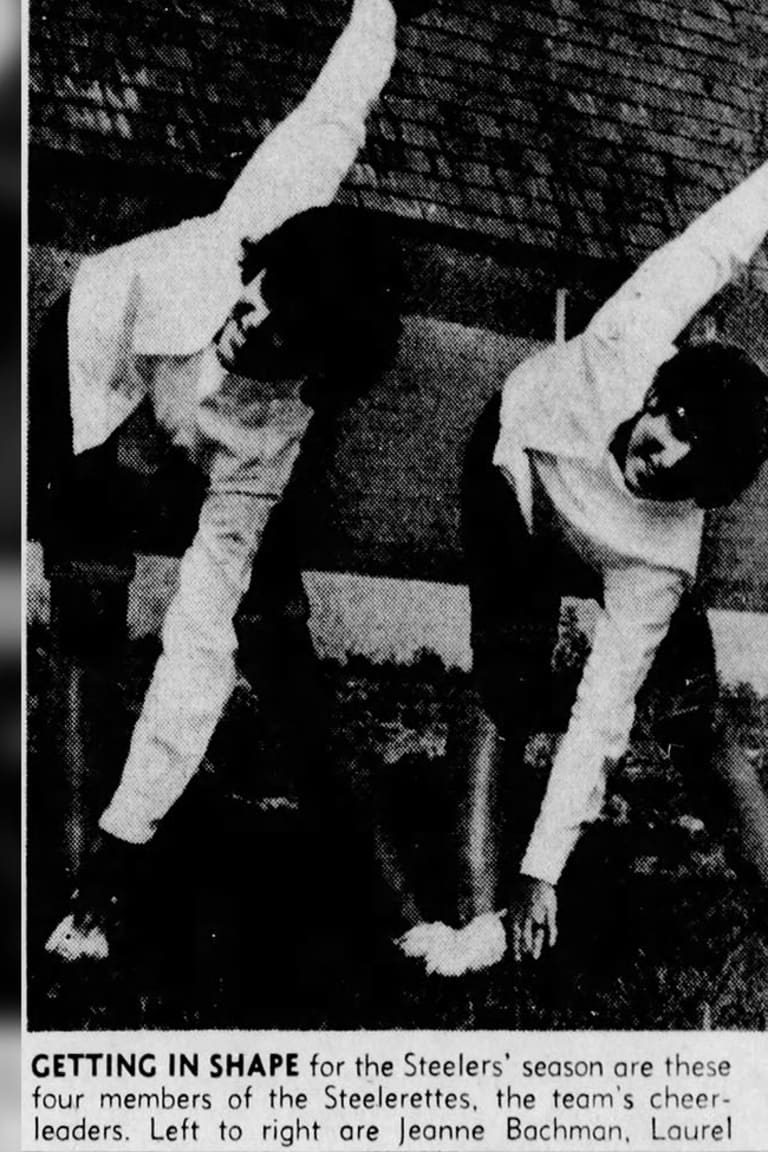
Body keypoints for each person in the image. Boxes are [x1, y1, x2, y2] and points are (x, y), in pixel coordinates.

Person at [41, 0, 435, 963]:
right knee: (89, 616)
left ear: (315, 365)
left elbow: (195, 646)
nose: (248, 317)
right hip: (92, 366)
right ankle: (62, 893)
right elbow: (340, 106)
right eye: (259, 291)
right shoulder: (274, 212)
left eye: (280, 332)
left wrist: (130, 841)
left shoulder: (273, 443)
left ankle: (121, 858)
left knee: (264, 641)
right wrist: (381, 5)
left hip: (212, 452)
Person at [401, 162, 768, 977]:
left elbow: (604, 711)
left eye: (690, 464)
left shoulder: (664, 557)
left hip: (614, 547)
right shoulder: (629, 336)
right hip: (517, 468)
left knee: (688, 715)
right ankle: (474, 924)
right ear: (657, 391)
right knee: (506, 684)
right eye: (670, 421)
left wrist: (546, 873)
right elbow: (715, 248)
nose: (662, 453)